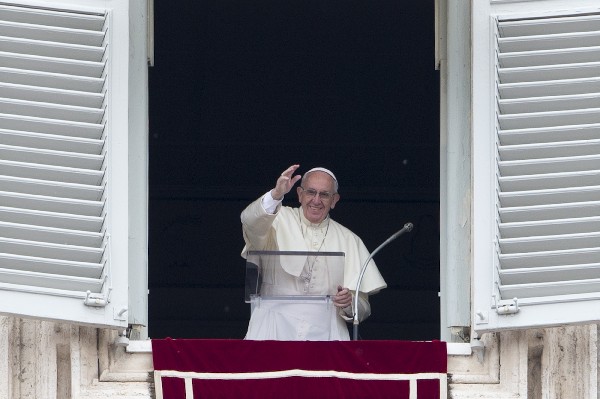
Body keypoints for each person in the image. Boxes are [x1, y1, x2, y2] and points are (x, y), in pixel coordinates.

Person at [240, 164, 387, 340]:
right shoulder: (276, 219)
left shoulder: (350, 240)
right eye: (311, 192)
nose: (316, 200)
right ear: (300, 194)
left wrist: (348, 303)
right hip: (272, 326)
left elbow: (363, 308)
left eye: (324, 194)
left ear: (334, 200)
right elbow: (249, 222)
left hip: (326, 332)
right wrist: (276, 194)